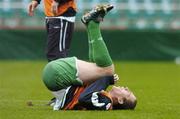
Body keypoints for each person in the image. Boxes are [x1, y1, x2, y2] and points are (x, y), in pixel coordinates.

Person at [52, 75, 137, 110]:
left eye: (127, 91)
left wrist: (106, 79)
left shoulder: (106, 102)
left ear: (120, 100)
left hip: (65, 96)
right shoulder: (105, 96)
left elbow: (83, 98)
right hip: (65, 89)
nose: (126, 88)